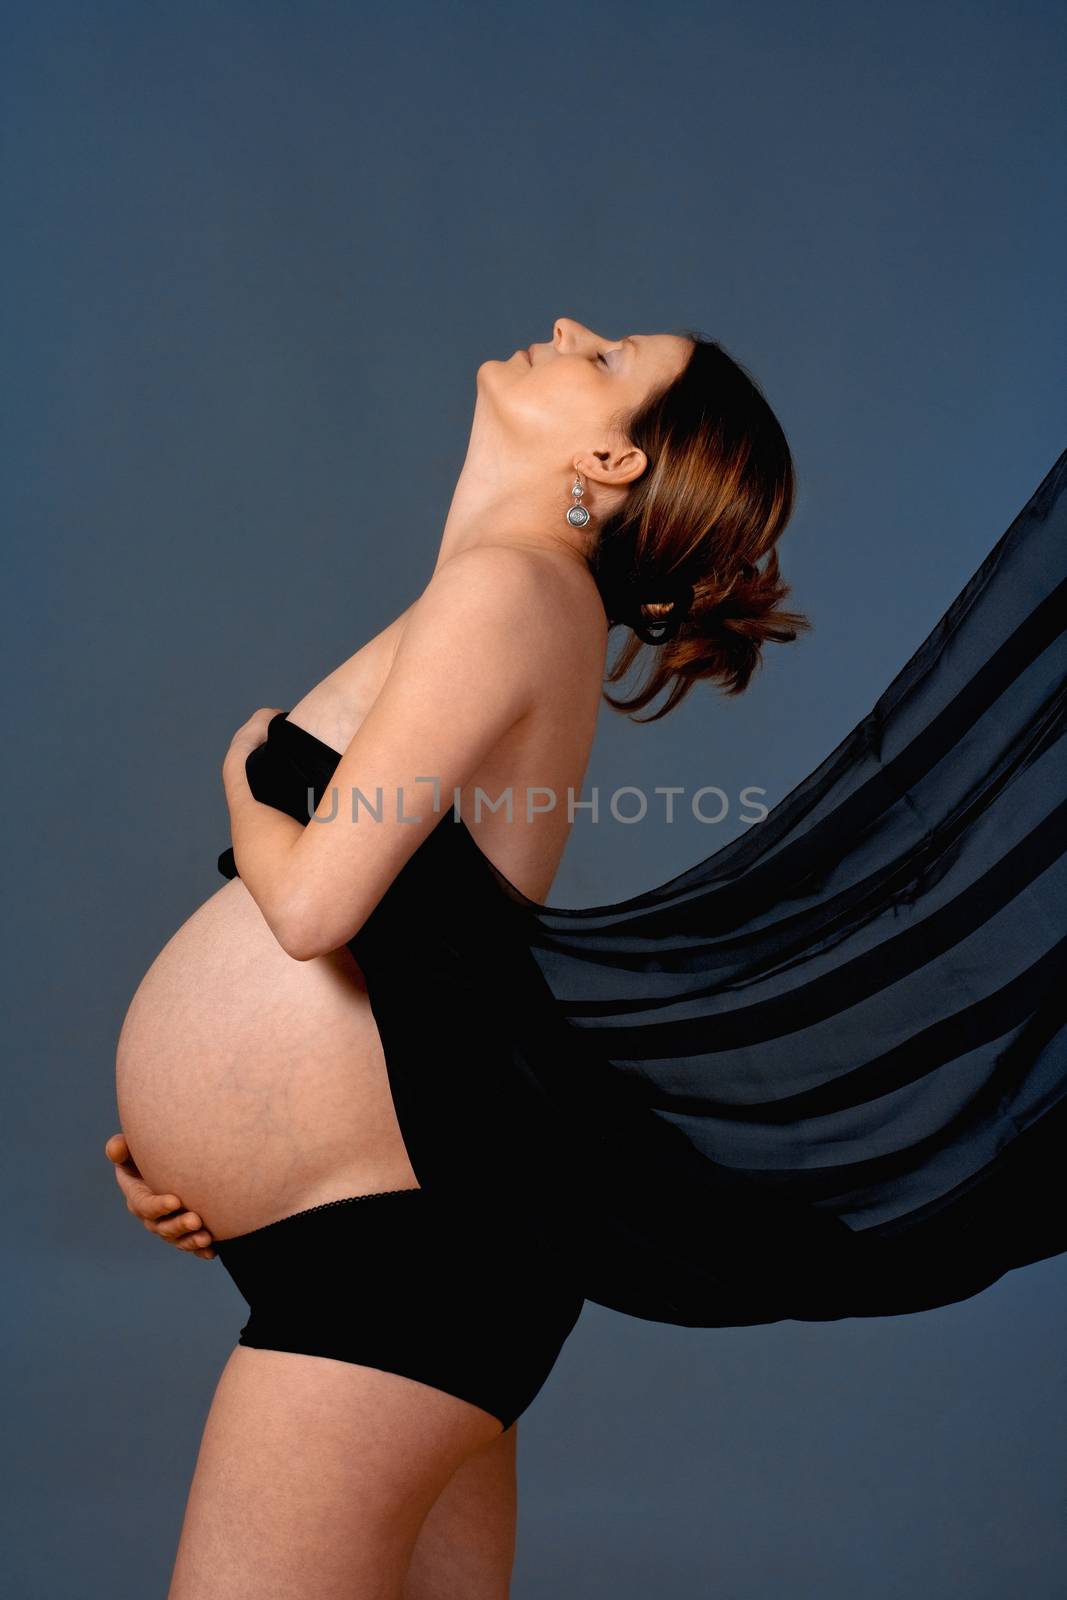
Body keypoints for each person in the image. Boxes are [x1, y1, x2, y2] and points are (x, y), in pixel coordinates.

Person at [105, 319, 1067, 1598]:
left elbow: (318, 909)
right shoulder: (513, 591)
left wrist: (244, 783)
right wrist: (202, 1153)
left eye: (609, 356)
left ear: (610, 460)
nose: (569, 331)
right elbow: (428, 958)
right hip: (382, 1246)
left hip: (394, 1265)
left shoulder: (509, 586)